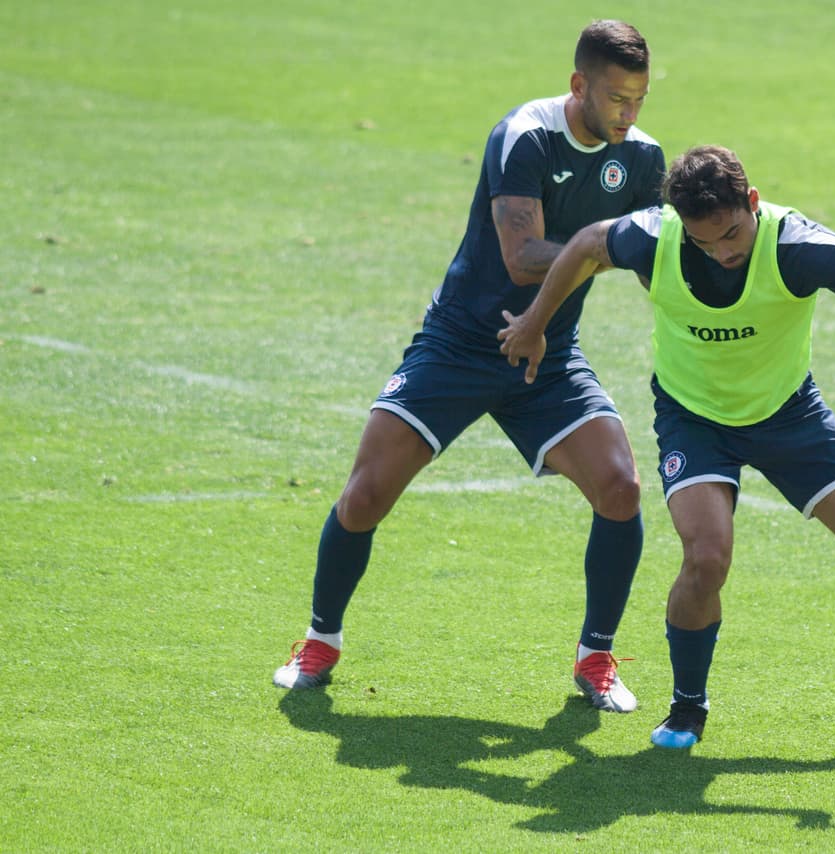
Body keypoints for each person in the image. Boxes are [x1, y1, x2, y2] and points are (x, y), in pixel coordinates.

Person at [498, 144, 835, 747]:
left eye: (730, 235)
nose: (721, 253)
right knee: (706, 556)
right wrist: (534, 323)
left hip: (790, 415)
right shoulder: (655, 237)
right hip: (694, 420)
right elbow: (589, 243)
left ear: (750, 202)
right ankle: (688, 706)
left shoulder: (798, 247)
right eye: (705, 242)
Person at [273, 20, 666, 714]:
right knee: (365, 495)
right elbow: (523, 256)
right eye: (615, 99)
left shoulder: (641, 158)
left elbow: (654, 265)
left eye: (638, 100)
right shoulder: (525, 135)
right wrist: (610, 244)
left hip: (546, 354)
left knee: (621, 487)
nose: (628, 116)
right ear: (580, 85)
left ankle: (596, 656)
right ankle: (320, 639)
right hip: (460, 343)